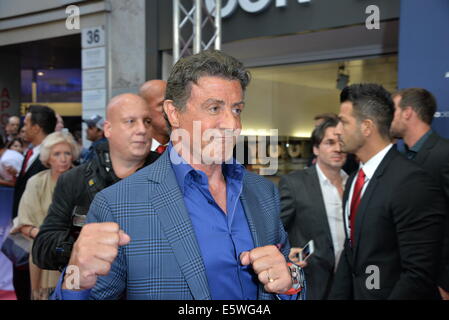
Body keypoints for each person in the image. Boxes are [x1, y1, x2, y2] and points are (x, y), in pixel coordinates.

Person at [52, 50, 303, 300]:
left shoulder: (263, 192)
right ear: (173, 113)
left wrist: (290, 283)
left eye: (237, 110)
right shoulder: (119, 203)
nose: (232, 124)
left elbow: (289, 279)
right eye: (214, 108)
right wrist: (75, 277)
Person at [329, 83, 445, 300]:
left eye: (343, 121)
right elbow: (351, 254)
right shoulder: (355, 180)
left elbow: (418, 273)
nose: (337, 129)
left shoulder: (412, 183)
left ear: (367, 127)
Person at [33, 94, 160, 271]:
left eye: (147, 121)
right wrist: (80, 246)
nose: (142, 129)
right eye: (130, 121)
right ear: (108, 129)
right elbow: (42, 247)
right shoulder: (75, 180)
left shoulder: (170, 176)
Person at [390, 87, 449, 300]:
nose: (388, 117)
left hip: (436, 282)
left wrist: (445, 283)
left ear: (408, 112)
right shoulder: (400, 158)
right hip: (405, 278)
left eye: (392, 110)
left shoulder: (444, 154)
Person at [280, 117, 347, 300]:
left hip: (350, 283)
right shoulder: (294, 183)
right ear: (316, 149)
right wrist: (285, 255)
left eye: (342, 142)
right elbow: (274, 230)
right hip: (312, 283)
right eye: (330, 143)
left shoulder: (355, 183)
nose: (338, 149)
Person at [12, 132, 79, 299]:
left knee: (73, 295)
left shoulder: (82, 181)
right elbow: (24, 224)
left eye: (67, 153)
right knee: (42, 296)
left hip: (76, 258)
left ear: (73, 155)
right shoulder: (35, 182)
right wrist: (50, 239)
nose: (63, 158)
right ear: (48, 158)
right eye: (57, 154)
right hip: (42, 260)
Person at [11, 105, 56, 300]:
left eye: (26, 123)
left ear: (36, 127)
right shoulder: (31, 153)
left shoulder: (52, 156)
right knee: (23, 284)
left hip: (38, 236)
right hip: (25, 234)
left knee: (34, 288)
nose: (24, 128)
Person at [139, 80, 170, 154]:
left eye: (175, 104)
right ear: (144, 109)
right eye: (163, 104)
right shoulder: (130, 154)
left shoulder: (188, 152)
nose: (173, 110)